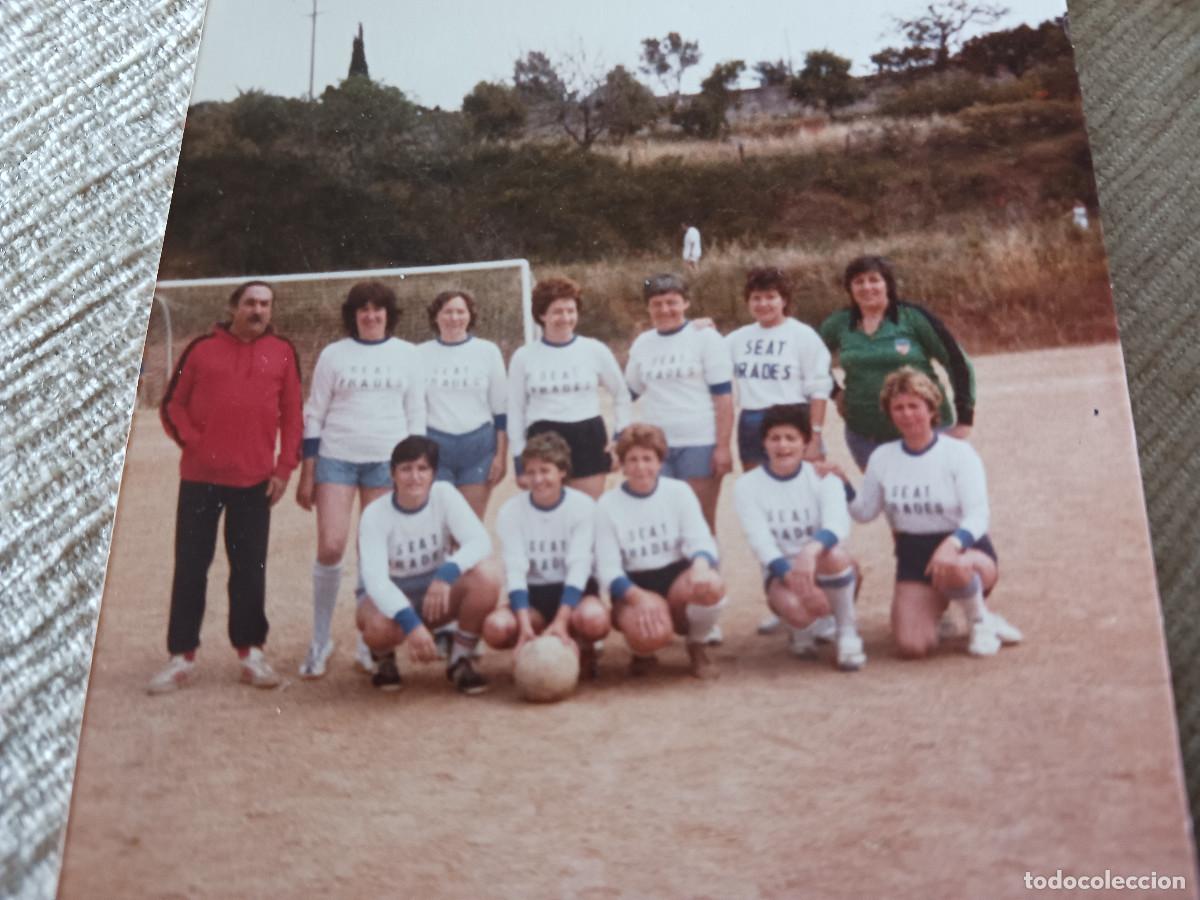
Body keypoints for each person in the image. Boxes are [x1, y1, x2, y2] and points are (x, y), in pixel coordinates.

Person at [149, 280, 302, 694]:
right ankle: (181, 656)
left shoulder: (283, 352)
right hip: (200, 481)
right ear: (233, 306)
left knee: (249, 570)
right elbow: (171, 406)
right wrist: (197, 446)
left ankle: (251, 653)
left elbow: (292, 417)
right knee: (191, 567)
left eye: (265, 304)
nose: (258, 310)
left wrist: (284, 469)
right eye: (251, 302)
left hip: (254, 482)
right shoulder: (201, 349)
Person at [829, 367, 1021, 659]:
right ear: (890, 414)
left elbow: (977, 516)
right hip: (913, 555)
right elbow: (864, 512)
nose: (907, 414)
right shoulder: (882, 457)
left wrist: (951, 546)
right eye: (898, 408)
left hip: (963, 551)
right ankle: (944, 610)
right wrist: (841, 483)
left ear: (932, 409)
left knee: (953, 568)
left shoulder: (958, 453)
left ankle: (980, 620)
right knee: (912, 646)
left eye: (914, 406)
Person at [293, 280, 426, 680]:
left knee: (373, 555)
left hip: (387, 463)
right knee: (331, 546)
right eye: (363, 309)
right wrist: (309, 469)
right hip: (338, 458)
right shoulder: (335, 355)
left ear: (388, 314)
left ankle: (370, 643)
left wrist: (415, 467)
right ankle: (320, 641)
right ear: (353, 315)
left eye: (378, 309)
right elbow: (315, 413)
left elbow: (416, 411)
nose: (370, 315)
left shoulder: (408, 355)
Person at [727, 266, 836, 642]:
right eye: (756, 297)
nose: (763, 304)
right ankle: (780, 599)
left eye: (770, 296)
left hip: (795, 420)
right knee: (766, 512)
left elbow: (819, 387)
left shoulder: (803, 336)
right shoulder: (737, 338)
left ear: (784, 299)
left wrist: (815, 435)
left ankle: (819, 598)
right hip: (754, 424)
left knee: (807, 506)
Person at [355, 436, 502, 693]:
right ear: (392, 474)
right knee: (376, 628)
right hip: (396, 596)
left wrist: (447, 573)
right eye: (406, 469)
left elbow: (480, 541)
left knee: (488, 576)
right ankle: (384, 659)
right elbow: (376, 580)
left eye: (422, 469)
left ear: (433, 474)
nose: (415, 477)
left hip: (436, 594)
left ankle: (460, 660)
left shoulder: (444, 495)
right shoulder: (375, 514)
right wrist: (410, 623)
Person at [734, 404, 865, 669]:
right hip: (782, 572)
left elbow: (838, 525)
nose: (783, 446)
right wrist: (791, 576)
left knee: (836, 557)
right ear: (764, 443)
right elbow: (760, 542)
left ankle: (846, 631)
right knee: (799, 611)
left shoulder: (823, 477)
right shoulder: (747, 486)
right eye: (775, 438)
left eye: (791, 438)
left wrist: (810, 551)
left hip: (821, 562)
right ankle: (801, 626)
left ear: (805, 443)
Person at [820, 255, 976, 473]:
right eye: (858, 282)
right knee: (889, 500)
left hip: (925, 429)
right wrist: (835, 392)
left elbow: (957, 362)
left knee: (930, 498)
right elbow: (809, 362)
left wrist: (965, 418)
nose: (867, 287)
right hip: (866, 432)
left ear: (887, 284)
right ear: (850, 288)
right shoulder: (838, 323)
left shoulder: (913, 318)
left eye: (874, 280)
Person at [595, 424, 726, 680]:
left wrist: (700, 566)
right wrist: (637, 597)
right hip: (634, 584)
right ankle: (642, 653)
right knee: (652, 635)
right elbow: (607, 568)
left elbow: (701, 541)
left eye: (647, 459)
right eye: (632, 460)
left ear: (659, 461)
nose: (641, 467)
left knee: (711, 585)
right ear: (621, 464)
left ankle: (697, 646)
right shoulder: (606, 505)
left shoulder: (678, 492)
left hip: (675, 577)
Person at [481, 432, 610, 678]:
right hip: (534, 595)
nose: (538, 479)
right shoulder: (511, 511)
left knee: (594, 620)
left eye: (545, 470)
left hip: (575, 592)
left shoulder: (583, 506)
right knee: (496, 628)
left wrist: (562, 620)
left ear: (562, 471)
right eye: (531, 472)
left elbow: (579, 565)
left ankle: (583, 644)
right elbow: (515, 569)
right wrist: (524, 627)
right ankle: (533, 642)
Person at [625, 273, 734, 534]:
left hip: (699, 443)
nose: (665, 310)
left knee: (700, 525)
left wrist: (722, 447)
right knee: (663, 524)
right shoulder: (642, 344)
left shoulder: (706, 338)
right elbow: (626, 393)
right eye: (657, 304)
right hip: (657, 447)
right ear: (648, 307)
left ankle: (708, 575)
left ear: (686, 303)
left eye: (672, 302)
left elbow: (724, 398)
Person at [507, 276, 631, 500]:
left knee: (588, 513)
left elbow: (622, 395)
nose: (565, 318)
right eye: (557, 311)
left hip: (587, 437)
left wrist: (619, 438)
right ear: (542, 315)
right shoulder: (524, 357)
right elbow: (515, 411)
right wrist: (518, 460)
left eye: (570, 311)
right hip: (543, 439)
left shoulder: (595, 350)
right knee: (550, 516)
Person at [419, 289, 508, 520]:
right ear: (436, 317)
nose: (454, 318)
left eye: (461, 311)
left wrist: (500, 455)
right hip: (435, 447)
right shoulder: (419, 354)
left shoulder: (487, 351)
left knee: (469, 529)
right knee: (438, 527)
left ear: (470, 316)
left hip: (478, 447)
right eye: (447, 312)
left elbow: (501, 409)